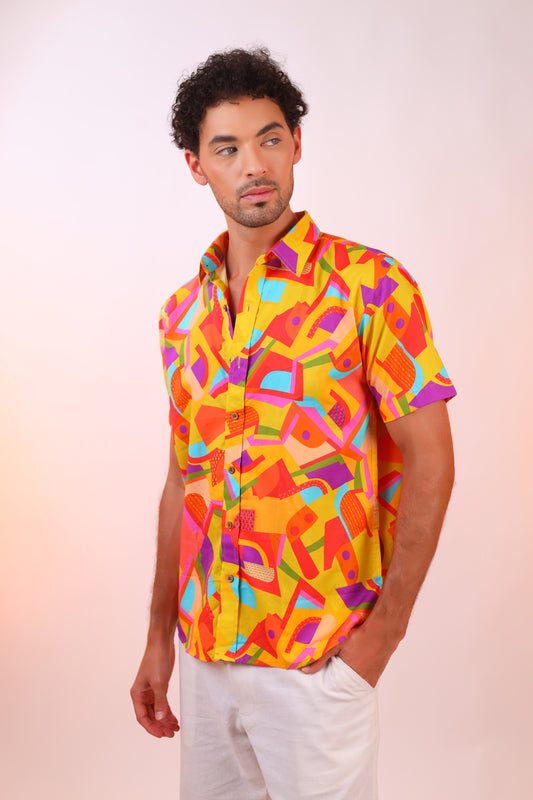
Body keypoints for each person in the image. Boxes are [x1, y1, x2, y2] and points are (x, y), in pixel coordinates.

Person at [130, 48, 456, 800]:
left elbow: (432, 461)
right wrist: (158, 641)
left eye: (270, 138)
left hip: (319, 665)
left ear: (297, 144)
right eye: (227, 148)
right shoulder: (182, 317)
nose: (254, 164)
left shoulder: (370, 287)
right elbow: (183, 482)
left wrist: (381, 639)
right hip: (206, 658)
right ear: (195, 166)